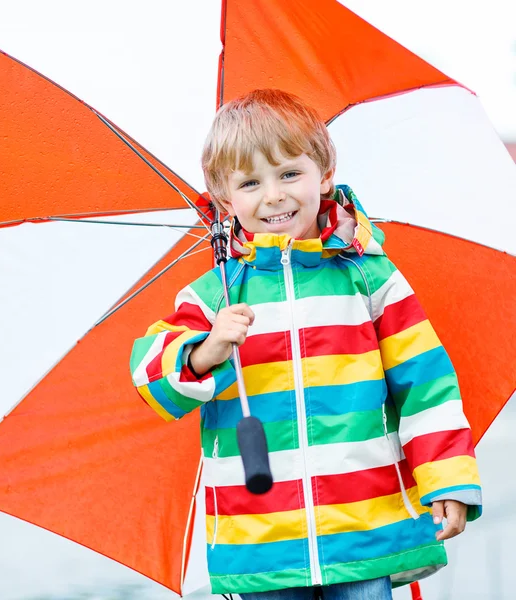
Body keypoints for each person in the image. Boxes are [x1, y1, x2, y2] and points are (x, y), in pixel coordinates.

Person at [129, 89, 482, 600]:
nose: (273, 195)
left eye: (289, 174)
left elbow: (426, 385)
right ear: (228, 201)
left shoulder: (370, 279)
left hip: (365, 525)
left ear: (325, 174)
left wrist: (447, 478)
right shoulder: (214, 296)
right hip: (260, 536)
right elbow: (149, 375)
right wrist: (206, 351)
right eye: (250, 183)